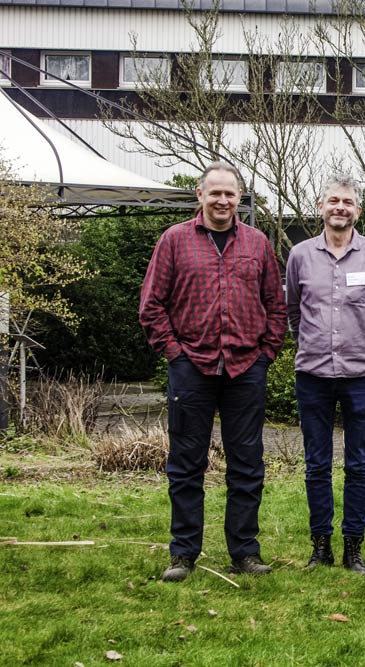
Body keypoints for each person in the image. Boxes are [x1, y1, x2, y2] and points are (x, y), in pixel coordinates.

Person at [139, 161, 287, 582]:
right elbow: (151, 304)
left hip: (246, 368)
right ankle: (183, 554)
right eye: (215, 193)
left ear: (239, 198)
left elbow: (276, 305)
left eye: (230, 193)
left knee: (247, 465)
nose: (223, 200)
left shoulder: (257, 243)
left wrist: (266, 354)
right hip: (192, 368)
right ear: (200, 195)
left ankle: (245, 552)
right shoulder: (174, 241)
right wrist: (174, 354)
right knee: (186, 464)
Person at [285, 174, 365, 576]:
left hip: (361, 375)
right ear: (321, 206)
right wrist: (314, 344)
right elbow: (293, 313)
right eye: (333, 200)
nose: (340, 208)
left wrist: (361, 346)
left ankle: (353, 547)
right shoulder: (300, 255)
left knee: (358, 464)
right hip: (312, 374)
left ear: (358, 211)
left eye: (347, 202)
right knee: (316, 463)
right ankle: (320, 546)